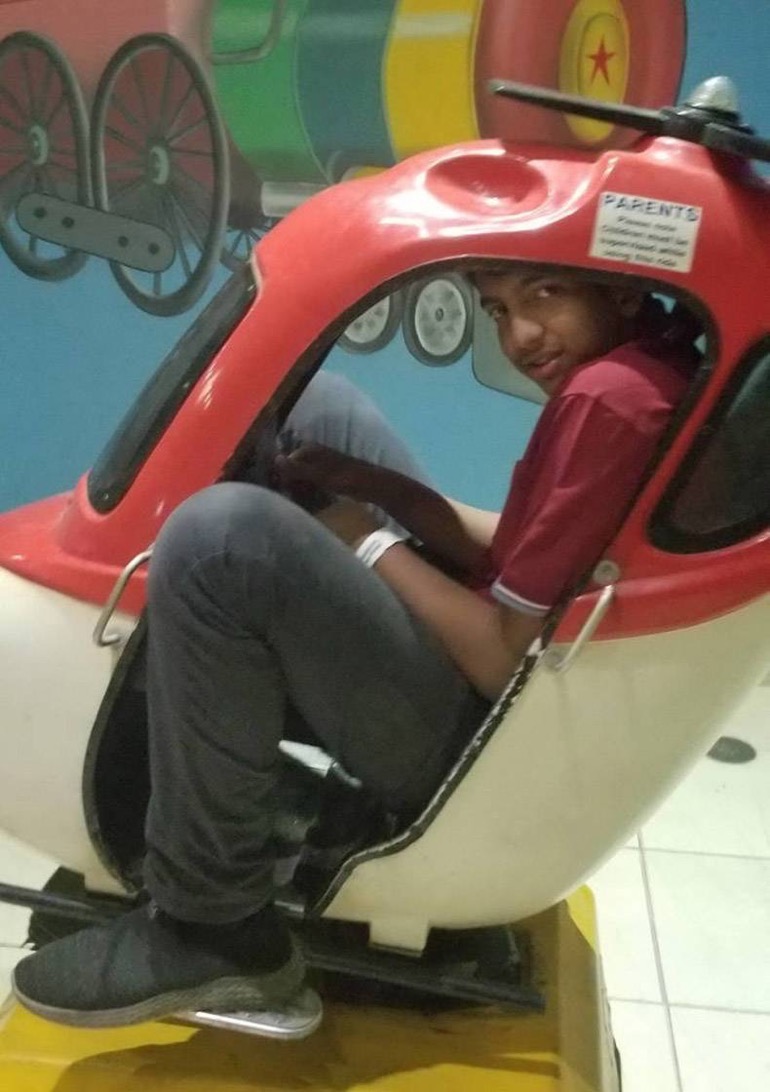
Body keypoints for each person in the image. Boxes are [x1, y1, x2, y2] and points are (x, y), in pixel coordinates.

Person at [12, 264, 699, 1029]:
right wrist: (376, 490)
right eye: (499, 310)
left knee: (218, 542)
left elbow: (505, 656)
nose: (521, 336)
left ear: (623, 290)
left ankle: (210, 925)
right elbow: (517, 560)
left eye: (545, 294)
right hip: (505, 689)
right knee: (321, 408)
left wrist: (368, 539)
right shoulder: (642, 371)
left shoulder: (609, 402)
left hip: (484, 739)